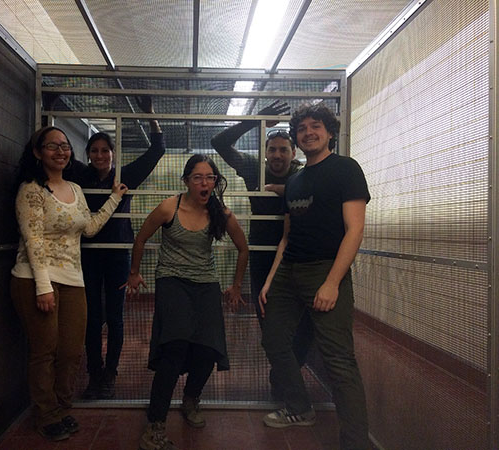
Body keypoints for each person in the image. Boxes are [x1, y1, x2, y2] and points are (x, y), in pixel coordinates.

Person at [259, 103, 370, 450]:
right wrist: (270, 280)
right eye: (302, 128)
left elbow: (355, 230)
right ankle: (299, 407)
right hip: (288, 272)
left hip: (325, 270)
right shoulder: (294, 181)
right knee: (273, 340)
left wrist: (332, 282)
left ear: (330, 132)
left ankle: (355, 443)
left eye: (315, 126)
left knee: (339, 360)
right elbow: (287, 237)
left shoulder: (346, 169)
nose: (308, 132)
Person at [122, 154, 248, 450]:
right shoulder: (170, 206)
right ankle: (155, 424)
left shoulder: (220, 212)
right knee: (174, 348)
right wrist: (134, 273)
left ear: (215, 182)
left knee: (208, 348)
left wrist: (236, 286)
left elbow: (243, 248)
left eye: (210, 178)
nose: (205, 183)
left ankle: (191, 399)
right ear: (187, 181)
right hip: (172, 281)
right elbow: (140, 239)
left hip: (206, 284)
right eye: (198, 177)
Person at [10, 126, 128, 441]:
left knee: (72, 350)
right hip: (36, 279)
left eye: (64, 146)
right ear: (38, 152)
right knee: (45, 351)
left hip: (74, 280)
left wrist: (114, 199)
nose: (61, 151)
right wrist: (43, 286)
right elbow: (33, 240)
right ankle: (46, 414)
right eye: (52, 146)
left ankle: (62, 408)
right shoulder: (31, 190)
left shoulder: (75, 188)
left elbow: (88, 228)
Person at [211, 100, 314, 399]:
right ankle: (283, 377)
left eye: (284, 150)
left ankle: (283, 374)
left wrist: (285, 190)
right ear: (265, 152)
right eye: (273, 149)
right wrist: (255, 122)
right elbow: (219, 142)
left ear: (294, 153)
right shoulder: (253, 167)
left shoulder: (304, 174)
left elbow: (322, 192)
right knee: (267, 318)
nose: (278, 155)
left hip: (298, 253)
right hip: (261, 253)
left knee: (305, 323)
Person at [74, 96, 165, 400]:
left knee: (114, 317)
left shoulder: (125, 176)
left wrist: (150, 113)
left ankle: (110, 374)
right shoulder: (81, 176)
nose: (100, 155)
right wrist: (51, 101)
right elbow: (57, 156)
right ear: (88, 155)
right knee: (91, 317)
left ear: (113, 153)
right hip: (88, 254)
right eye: (95, 151)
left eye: (105, 150)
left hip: (117, 254)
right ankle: (94, 374)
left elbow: (157, 150)